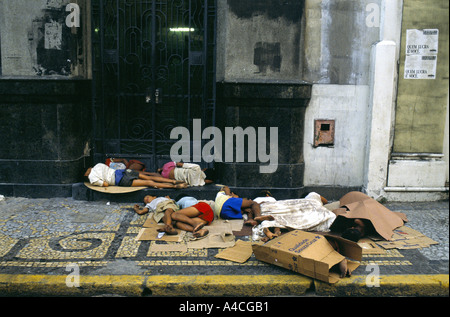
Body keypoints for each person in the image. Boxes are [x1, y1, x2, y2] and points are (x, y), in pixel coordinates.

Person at [85, 163, 188, 189]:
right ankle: (173, 181)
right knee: (149, 178)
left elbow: (105, 184)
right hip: (122, 171)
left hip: (120, 180)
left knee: (149, 183)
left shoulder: (92, 178)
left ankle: (174, 186)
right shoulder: (98, 165)